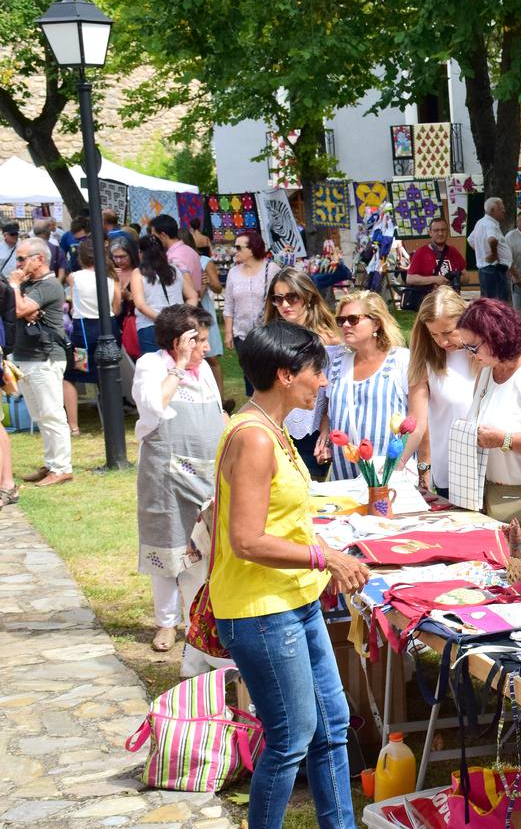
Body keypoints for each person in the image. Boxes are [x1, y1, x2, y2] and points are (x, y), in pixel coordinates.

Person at [211, 322, 368, 829]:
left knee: (332, 727)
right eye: (315, 371)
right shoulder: (254, 437)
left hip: (293, 601)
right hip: (261, 611)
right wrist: (325, 560)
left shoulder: (272, 427)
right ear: (284, 374)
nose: (322, 381)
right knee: (292, 737)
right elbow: (248, 540)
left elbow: (286, 522)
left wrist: (329, 550)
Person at [133, 305, 225, 653]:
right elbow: (154, 406)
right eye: (197, 340)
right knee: (168, 548)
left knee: (202, 547)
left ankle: (195, 621)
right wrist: (180, 365)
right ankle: (166, 623)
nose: (205, 347)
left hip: (205, 474)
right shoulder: (152, 365)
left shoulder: (204, 373)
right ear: (177, 342)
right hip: (166, 474)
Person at [455, 298, 521, 524]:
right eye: (466, 347)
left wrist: (503, 440)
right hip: (490, 498)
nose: (470, 354)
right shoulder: (486, 372)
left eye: (473, 347)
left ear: (496, 337)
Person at [316, 291, 410, 482]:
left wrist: (411, 464)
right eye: (341, 321)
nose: (345, 325)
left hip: (389, 474)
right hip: (345, 474)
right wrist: (325, 436)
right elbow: (329, 409)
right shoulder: (337, 362)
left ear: (376, 323)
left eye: (353, 319)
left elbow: (419, 420)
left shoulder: (401, 360)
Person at [262, 268, 340, 479]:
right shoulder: (269, 339)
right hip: (274, 429)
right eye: (277, 299)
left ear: (308, 297)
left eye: (292, 297)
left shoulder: (330, 342)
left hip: (314, 431)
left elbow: (332, 394)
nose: (284, 305)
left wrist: (326, 432)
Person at [10, 238, 74, 486]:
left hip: (45, 356)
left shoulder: (49, 285)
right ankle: (51, 464)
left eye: (22, 258)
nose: (18, 263)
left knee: (52, 413)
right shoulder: (28, 284)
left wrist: (16, 288)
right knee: (39, 415)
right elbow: (13, 306)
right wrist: (18, 293)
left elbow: (17, 309)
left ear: (39, 259)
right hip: (27, 355)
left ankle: (62, 468)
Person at [402, 287, 475, 498]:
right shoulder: (426, 362)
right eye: (433, 334)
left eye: (448, 332)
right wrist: (397, 464)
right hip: (452, 470)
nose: (442, 342)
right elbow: (416, 423)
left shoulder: (488, 355)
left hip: (496, 467)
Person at [64, 238, 123, 425]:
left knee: (72, 374)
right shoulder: (111, 277)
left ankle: (73, 425)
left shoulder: (74, 277)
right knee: (108, 372)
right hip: (109, 326)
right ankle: (112, 420)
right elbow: (117, 306)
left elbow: (73, 304)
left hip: (83, 332)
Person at [223, 229, 281, 394]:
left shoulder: (271, 269)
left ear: (252, 248)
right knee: (250, 376)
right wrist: (228, 332)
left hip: (267, 332)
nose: (236, 251)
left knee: (268, 373)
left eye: (239, 247)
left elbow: (279, 299)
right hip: (242, 334)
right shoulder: (233, 273)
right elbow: (228, 305)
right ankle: (255, 410)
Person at [131, 234, 198, 355]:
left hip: (150, 326)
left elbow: (140, 305)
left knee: (154, 367)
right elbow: (192, 296)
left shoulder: (138, 273)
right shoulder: (174, 270)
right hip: (177, 325)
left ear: (141, 253)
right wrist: (182, 315)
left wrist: (162, 319)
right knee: (178, 362)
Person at [187, 227, 227, 399]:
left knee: (210, 356)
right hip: (189, 311)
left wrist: (207, 282)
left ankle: (219, 396)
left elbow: (218, 287)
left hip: (202, 310)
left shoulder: (204, 261)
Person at [403, 215, 465, 310]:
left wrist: (455, 279)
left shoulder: (453, 251)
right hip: (431, 305)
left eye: (443, 230)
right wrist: (434, 279)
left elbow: (466, 276)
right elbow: (410, 279)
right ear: (430, 233)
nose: (440, 233)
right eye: (436, 230)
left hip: (452, 303)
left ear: (447, 232)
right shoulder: (421, 252)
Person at [468, 196, 510, 302]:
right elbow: (492, 240)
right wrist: (493, 254)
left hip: (486, 270)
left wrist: (482, 253)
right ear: (492, 210)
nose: (504, 211)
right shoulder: (491, 224)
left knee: (489, 304)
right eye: (501, 209)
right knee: (497, 306)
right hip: (494, 270)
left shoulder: (480, 223)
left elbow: (470, 240)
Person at [153, 214, 203, 291]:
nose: (153, 240)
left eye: (154, 236)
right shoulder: (190, 250)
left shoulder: (173, 258)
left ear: (163, 235)